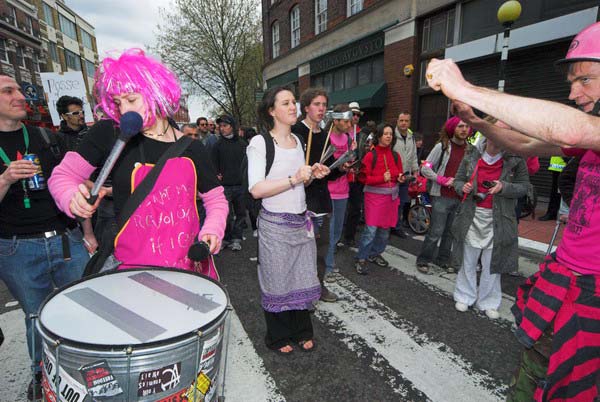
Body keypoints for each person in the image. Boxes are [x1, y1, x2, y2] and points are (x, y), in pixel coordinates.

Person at [426, 21, 600, 401]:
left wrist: (465, 88)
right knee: (536, 376)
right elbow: (524, 141)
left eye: (584, 79)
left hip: (592, 294)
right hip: (568, 277)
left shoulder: (589, 131)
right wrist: (476, 121)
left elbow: (571, 130)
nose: (573, 92)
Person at [49, 48, 228, 275]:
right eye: (118, 102)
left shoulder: (192, 146)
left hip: (188, 268)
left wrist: (213, 228)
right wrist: (70, 197)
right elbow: (62, 176)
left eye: (131, 99)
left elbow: (215, 199)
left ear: (156, 93)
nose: (124, 110)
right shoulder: (109, 133)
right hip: (132, 270)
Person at [0, 75, 89, 400]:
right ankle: (44, 377)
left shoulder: (45, 138)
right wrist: (6, 178)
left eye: (20, 90)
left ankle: (86, 369)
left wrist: (88, 234)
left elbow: (74, 183)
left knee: (85, 306)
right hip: (16, 248)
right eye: (8, 91)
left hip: (66, 239)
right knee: (37, 315)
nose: (19, 96)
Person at [247, 85, 330, 354]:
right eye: (286, 103)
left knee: (302, 276)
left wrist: (311, 175)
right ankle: (278, 336)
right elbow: (257, 189)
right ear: (271, 111)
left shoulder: (298, 141)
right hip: (274, 225)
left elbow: (296, 185)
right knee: (277, 279)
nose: (293, 107)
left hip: (300, 222)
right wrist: (295, 178)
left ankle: (302, 331)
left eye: (294, 102)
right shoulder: (260, 143)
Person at [451, 123, 529, 320]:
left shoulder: (515, 160)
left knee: (492, 263)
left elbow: (524, 187)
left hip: (499, 218)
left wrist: (504, 186)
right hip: (472, 214)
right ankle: (465, 296)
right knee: (468, 259)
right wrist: (463, 187)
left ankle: (488, 301)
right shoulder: (471, 155)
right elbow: (458, 180)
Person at [291, 87, 344, 303]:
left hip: (322, 201)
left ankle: (318, 287)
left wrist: (341, 167)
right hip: (299, 201)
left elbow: (328, 170)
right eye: (317, 104)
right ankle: (301, 293)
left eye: (324, 105)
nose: (322, 109)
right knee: (302, 251)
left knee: (321, 249)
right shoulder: (296, 132)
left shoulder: (324, 135)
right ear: (305, 108)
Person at [417, 117, 471, 274]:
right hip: (441, 195)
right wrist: (441, 179)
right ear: (453, 128)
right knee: (436, 231)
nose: (464, 129)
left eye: (466, 126)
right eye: (460, 126)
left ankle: (442, 260)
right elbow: (425, 168)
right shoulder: (442, 147)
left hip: (460, 197)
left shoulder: (470, 149)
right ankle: (423, 260)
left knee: (450, 232)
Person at [355, 123, 405, 275]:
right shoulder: (371, 155)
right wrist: (381, 178)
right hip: (373, 198)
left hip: (391, 198)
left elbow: (398, 174)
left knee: (385, 230)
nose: (389, 136)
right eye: (385, 134)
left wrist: (401, 178)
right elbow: (364, 178)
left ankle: (375, 253)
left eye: (390, 134)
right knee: (371, 229)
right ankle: (361, 258)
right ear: (379, 136)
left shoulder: (396, 156)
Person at [56, 95, 98, 255]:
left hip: (98, 192)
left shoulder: (93, 135)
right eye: (75, 113)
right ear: (64, 116)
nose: (81, 115)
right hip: (76, 196)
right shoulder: (57, 139)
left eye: (81, 111)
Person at [324, 104, 355, 283]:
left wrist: (351, 164)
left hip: (343, 190)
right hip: (328, 191)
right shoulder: (327, 138)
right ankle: (327, 267)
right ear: (335, 120)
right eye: (345, 121)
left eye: (349, 121)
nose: (349, 124)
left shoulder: (348, 138)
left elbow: (349, 159)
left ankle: (328, 262)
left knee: (336, 231)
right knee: (327, 231)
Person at [212, 114, 247, 251]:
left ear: (232, 126)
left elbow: (248, 164)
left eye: (225, 125)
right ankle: (226, 239)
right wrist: (217, 174)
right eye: (220, 126)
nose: (222, 128)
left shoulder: (242, 144)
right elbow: (213, 164)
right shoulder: (217, 145)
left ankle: (236, 239)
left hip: (240, 185)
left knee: (240, 214)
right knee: (225, 215)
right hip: (225, 186)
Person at [393, 111, 419, 236]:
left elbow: (413, 155)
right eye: (401, 120)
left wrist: (415, 171)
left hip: (406, 175)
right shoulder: (391, 135)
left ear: (409, 122)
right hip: (392, 176)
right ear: (397, 121)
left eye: (406, 121)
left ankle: (397, 227)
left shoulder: (411, 136)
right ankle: (387, 226)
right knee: (390, 203)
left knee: (401, 202)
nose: (404, 123)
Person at [539, 155, 566, 221]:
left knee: (561, 192)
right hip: (557, 166)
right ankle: (552, 213)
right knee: (555, 192)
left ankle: (554, 213)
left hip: (564, 165)